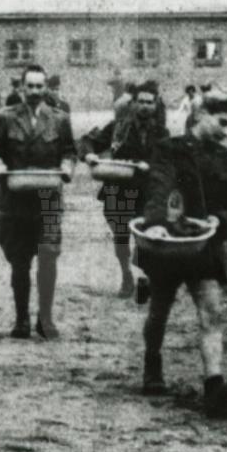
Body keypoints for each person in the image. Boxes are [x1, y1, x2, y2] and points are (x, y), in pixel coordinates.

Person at [137, 87, 227, 415]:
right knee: (159, 309)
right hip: (169, 243)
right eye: (222, 123)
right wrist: (156, 224)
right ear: (200, 115)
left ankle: (214, 386)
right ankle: (152, 365)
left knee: (211, 312)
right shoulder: (169, 150)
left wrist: (220, 219)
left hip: (205, 246)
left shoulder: (226, 159)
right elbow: (159, 187)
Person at [0, 63, 78, 340]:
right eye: (30, 86)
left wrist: (67, 167)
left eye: (40, 86)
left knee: (48, 256)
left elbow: (70, 152)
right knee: (20, 261)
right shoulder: (6, 117)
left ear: (46, 87)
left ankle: (45, 319)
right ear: (22, 87)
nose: (35, 91)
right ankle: (22, 319)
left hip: (48, 200)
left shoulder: (59, 119)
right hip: (15, 202)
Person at [79, 79, 163, 297]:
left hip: (146, 192)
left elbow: (168, 162)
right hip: (117, 191)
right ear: (133, 103)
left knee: (144, 237)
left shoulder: (161, 133)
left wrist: (150, 166)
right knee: (121, 237)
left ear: (155, 105)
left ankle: (143, 275)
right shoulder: (118, 127)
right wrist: (89, 154)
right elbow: (88, 141)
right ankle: (126, 276)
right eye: (141, 101)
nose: (145, 106)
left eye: (149, 102)